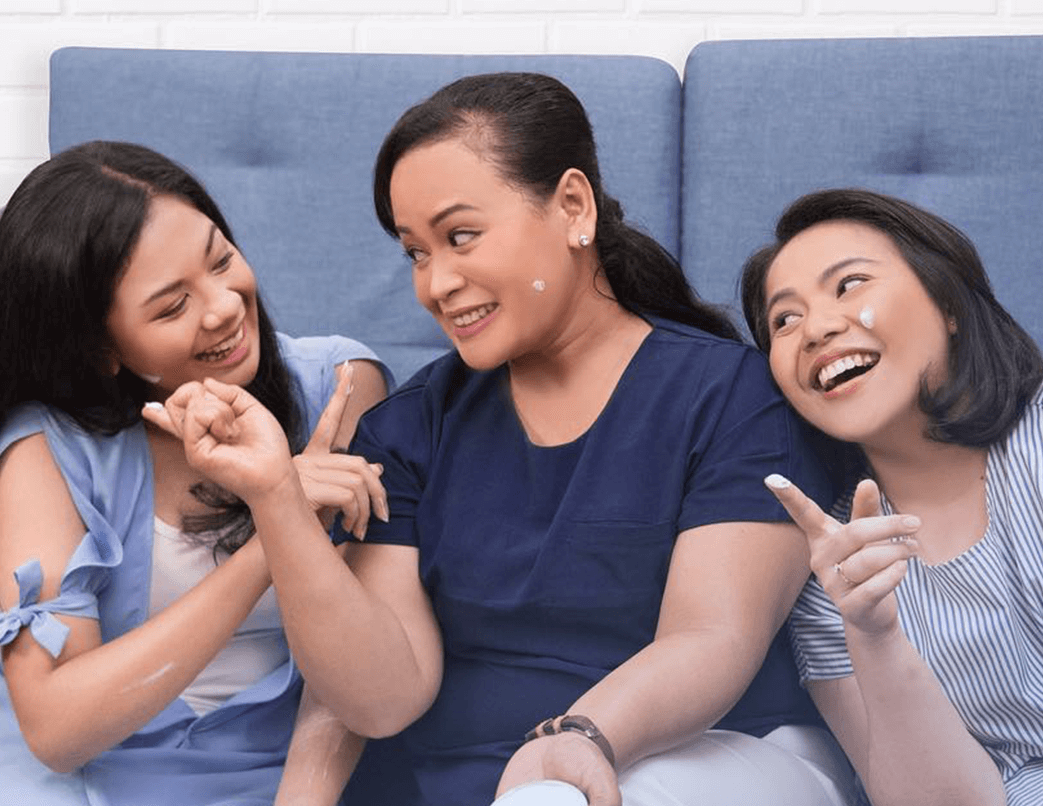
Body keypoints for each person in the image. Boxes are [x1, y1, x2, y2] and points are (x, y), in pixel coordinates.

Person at [145, 72, 860, 806]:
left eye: (460, 236)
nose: (436, 283)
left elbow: (713, 638)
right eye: (416, 253)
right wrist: (276, 497)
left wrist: (575, 740)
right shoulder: (409, 427)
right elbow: (383, 697)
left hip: (710, 761)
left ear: (572, 207)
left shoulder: (734, 397)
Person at [0, 140, 390, 806]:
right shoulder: (47, 446)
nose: (224, 308)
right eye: (171, 307)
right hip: (88, 781)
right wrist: (280, 521)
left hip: (293, 776)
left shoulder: (340, 388)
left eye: (221, 259)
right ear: (101, 346)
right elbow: (58, 728)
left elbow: (364, 668)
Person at [740, 187, 1043, 806]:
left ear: (949, 301)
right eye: (784, 320)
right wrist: (873, 635)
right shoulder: (829, 577)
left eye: (848, 285)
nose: (817, 329)